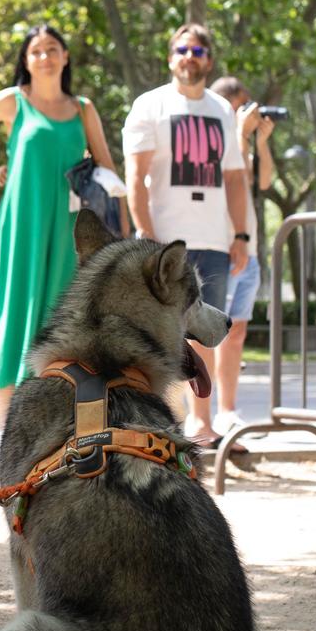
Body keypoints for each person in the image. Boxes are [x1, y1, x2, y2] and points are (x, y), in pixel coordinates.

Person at [0, 24, 120, 423]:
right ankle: (10, 434)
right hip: (22, 229)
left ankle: (62, 427)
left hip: (70, 230)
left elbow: (107, 165)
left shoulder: (83, 109)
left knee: (64, 320)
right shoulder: (13, 102)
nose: (44, 57)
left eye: (52, 49)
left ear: (66, 56)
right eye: (36, 51)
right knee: (15, 314)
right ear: (26, 60)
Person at [120, 24, 247, 444]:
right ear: (170, 57)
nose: (189, 56)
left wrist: (241, 235)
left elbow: (233, 178)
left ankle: (201, 420)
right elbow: (135, 177)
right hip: (164, 242)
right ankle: (161, 418)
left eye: (198, 50)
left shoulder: (221, 110)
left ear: (209, 59)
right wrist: (146, 236)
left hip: (213, 238)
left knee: (207, 330)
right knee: (159, 331)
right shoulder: (149, 105)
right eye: (182, 49)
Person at [207, 75, 277, 435]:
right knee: (205, 335)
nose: (248, 112)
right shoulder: (214, 135)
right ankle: (200, 418)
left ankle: (228, 411)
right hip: (220, 246)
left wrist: (260, 142)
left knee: (236, 333)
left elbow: (262, 181)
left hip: (247, 250)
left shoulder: (242, 140)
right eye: (241, 105)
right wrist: (239, 133)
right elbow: (226, 175)